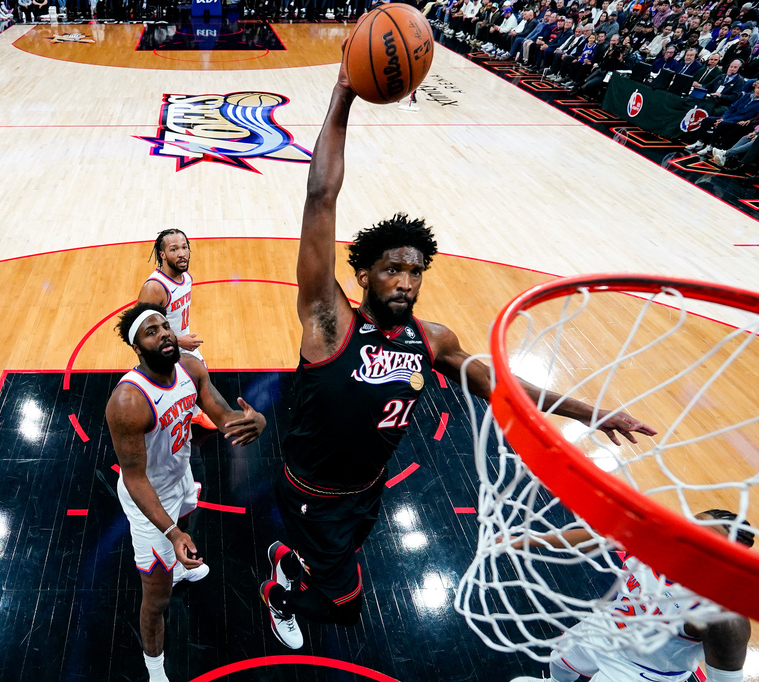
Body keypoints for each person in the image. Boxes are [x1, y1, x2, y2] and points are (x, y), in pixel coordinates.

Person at [258, 47, 657, 651]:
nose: (406, 282)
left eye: (415, 272)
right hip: (313, 492)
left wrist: (586, 411)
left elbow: (501, 384)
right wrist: (343, 95)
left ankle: (296, 561)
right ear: (364, 274)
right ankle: (279, 589)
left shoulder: (432, 340)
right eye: (392, 270)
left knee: (337, 566)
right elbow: (321, 198)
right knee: (341, 608)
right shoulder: (328, 320)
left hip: (367, 488)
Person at [106, 303, 266, 682]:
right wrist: (172, 534)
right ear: (138, 349)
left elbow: (221, 412)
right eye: (151, 332)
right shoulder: (128, 402)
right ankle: (155, 669)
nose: (163, 333)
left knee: (187, 515)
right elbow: (135, 479)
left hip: (180, 474)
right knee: (156, 599)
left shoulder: (191, 367)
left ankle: (177, 567)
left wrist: (249, 421)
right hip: (148, 500)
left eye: (165, 326)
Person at [510, 509, 755, 682]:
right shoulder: (653, 541)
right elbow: (595, 538)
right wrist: (531, 541)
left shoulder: (723, 616)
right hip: (607, 627)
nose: (689, 535)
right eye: (692, 525)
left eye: (705, 539)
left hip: (646, 670)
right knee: (562, 659)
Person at [136, 229, 217, 431]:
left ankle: (195, 415)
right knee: (171, 391)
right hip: (163, 348)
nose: (182, 253)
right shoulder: (154, 287)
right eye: (174, 249)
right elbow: (140, 330)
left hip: (181, 343)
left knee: (198, 377)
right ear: (162, 254)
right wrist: (179, 342)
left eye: (184, 247)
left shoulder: (186, 277)